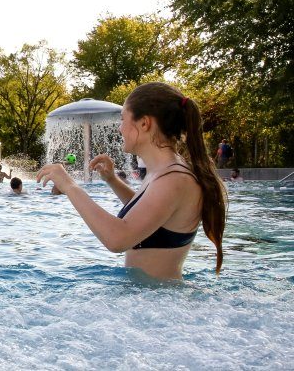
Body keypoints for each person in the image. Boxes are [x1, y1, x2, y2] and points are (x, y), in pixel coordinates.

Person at [36, 82, 226, 280]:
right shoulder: (164, 173)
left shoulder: (174, 179)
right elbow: (151, 215)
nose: (120, 129)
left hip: (161, 304)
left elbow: (117, 239)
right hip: (152, 299)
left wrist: (69, 185)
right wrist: (113, 180)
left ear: (144, 123)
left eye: (123, 119)